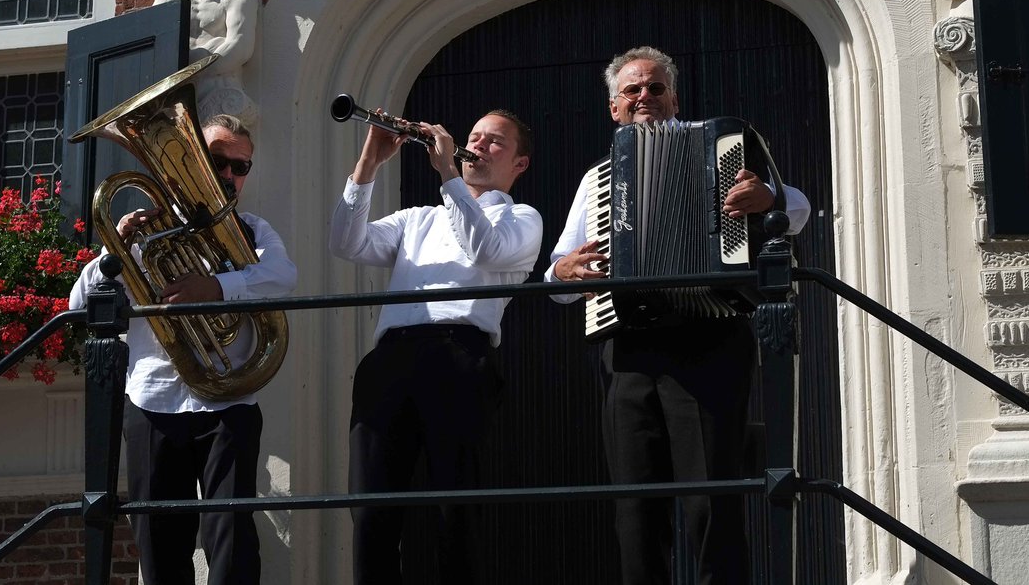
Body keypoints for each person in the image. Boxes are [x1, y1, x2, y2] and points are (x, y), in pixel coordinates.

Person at [545, 46, 811, 585]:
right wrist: (563, 273)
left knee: (711, 501)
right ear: (614, 108)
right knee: (635, 508)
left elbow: (797, 209)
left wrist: (765, 200)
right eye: (632, 90)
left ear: (674, 97)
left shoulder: (724, 150)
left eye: (655, 88)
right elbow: (558, 279)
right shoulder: (599, 179)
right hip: (631, 350)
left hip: (711, 338)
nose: (645, 97)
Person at [69, 114, 297, 585]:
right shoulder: (146, 233)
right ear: (190, 164)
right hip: (153, 402)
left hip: (229, 403)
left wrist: (215, 286)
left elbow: (283, 276)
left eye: (241, 166)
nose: (231, 176)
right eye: (218, 162)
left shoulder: (253, 231)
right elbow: (79, 305)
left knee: (232, 540)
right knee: (159, 546)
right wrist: (115, 253)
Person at [329, 110, 543, 585]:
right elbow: (346, 243)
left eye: (495, 143)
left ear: (520, 164)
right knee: (370, 506)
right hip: (392, 358)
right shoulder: (418, 219)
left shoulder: (522, 218)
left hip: (459, 355)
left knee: (456, 506)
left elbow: (483, 250)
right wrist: (370, 160)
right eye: (474, 137)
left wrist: (447, 173)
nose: (480, 147)